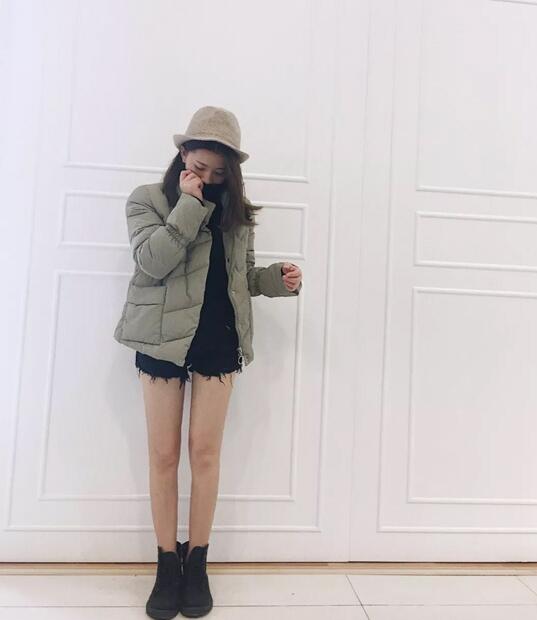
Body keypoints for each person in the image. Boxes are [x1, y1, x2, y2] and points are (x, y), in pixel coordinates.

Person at [113, 106, 303, 618]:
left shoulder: (237, 212)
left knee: (205, 454)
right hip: (161, 340)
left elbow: (241, 277)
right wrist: (190, 204)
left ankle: (196, 562)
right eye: (200, 167)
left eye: (220, 173)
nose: (210, 178)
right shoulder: (148, 199)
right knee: (163, 455)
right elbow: (151, 262)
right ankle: (165, 563)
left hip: (218, 339)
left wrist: (277, 280)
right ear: (182, 155)